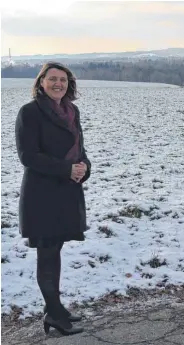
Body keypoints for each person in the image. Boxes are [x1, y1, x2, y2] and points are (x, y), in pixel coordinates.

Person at [14, 61, 91, 336]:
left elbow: (79, 148)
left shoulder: (72, 111)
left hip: (67, 192)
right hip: (42, 195)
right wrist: (66, 169)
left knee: (55, 252)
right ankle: (54, 314)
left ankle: (55, 309)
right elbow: (28, 155)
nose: (59, 83)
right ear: (41, 83)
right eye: (53, 79)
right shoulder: (30, 112)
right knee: (46, 254)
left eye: (64, 79)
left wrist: (84, 168)